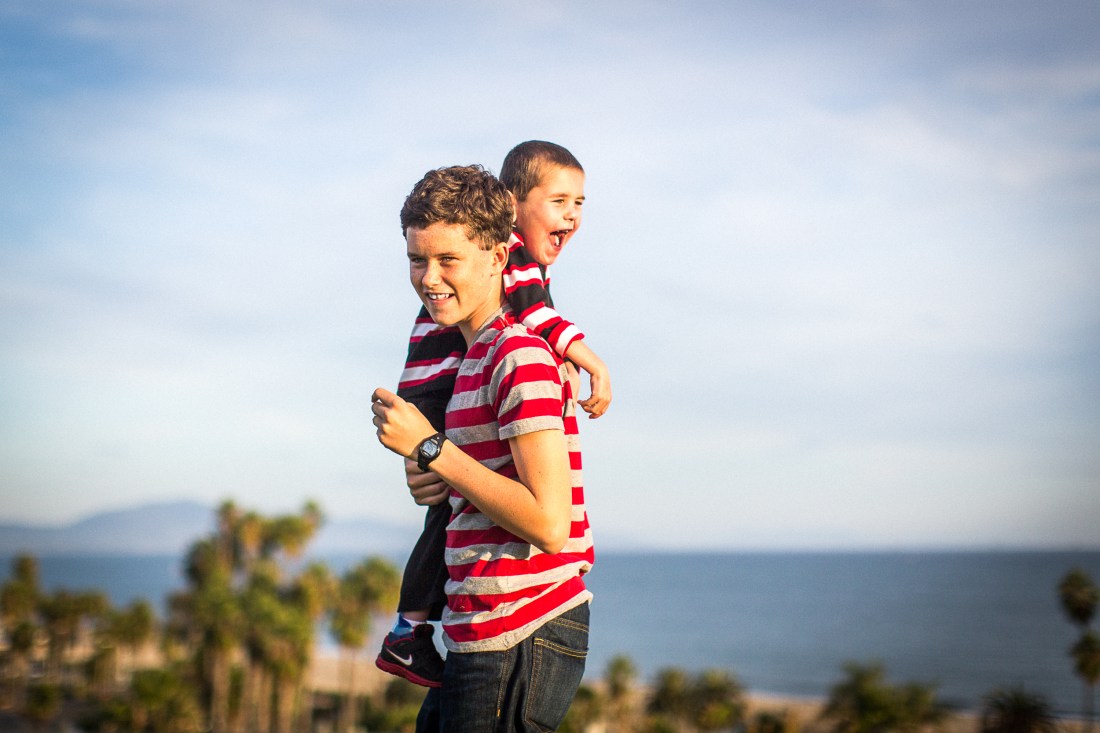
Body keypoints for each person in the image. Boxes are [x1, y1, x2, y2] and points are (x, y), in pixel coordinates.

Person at [376, 141, 609, 688]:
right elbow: (461, 486)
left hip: (518, 627)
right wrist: (426, 459)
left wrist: (431, 450)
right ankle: (410, 630)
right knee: (437, 519)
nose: (429, 278)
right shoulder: (482, 351)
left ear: (498, 256)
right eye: (417, 260)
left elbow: (551, 525)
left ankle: (409, 628)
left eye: (448, 260)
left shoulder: (516, 349)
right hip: (478, 627)